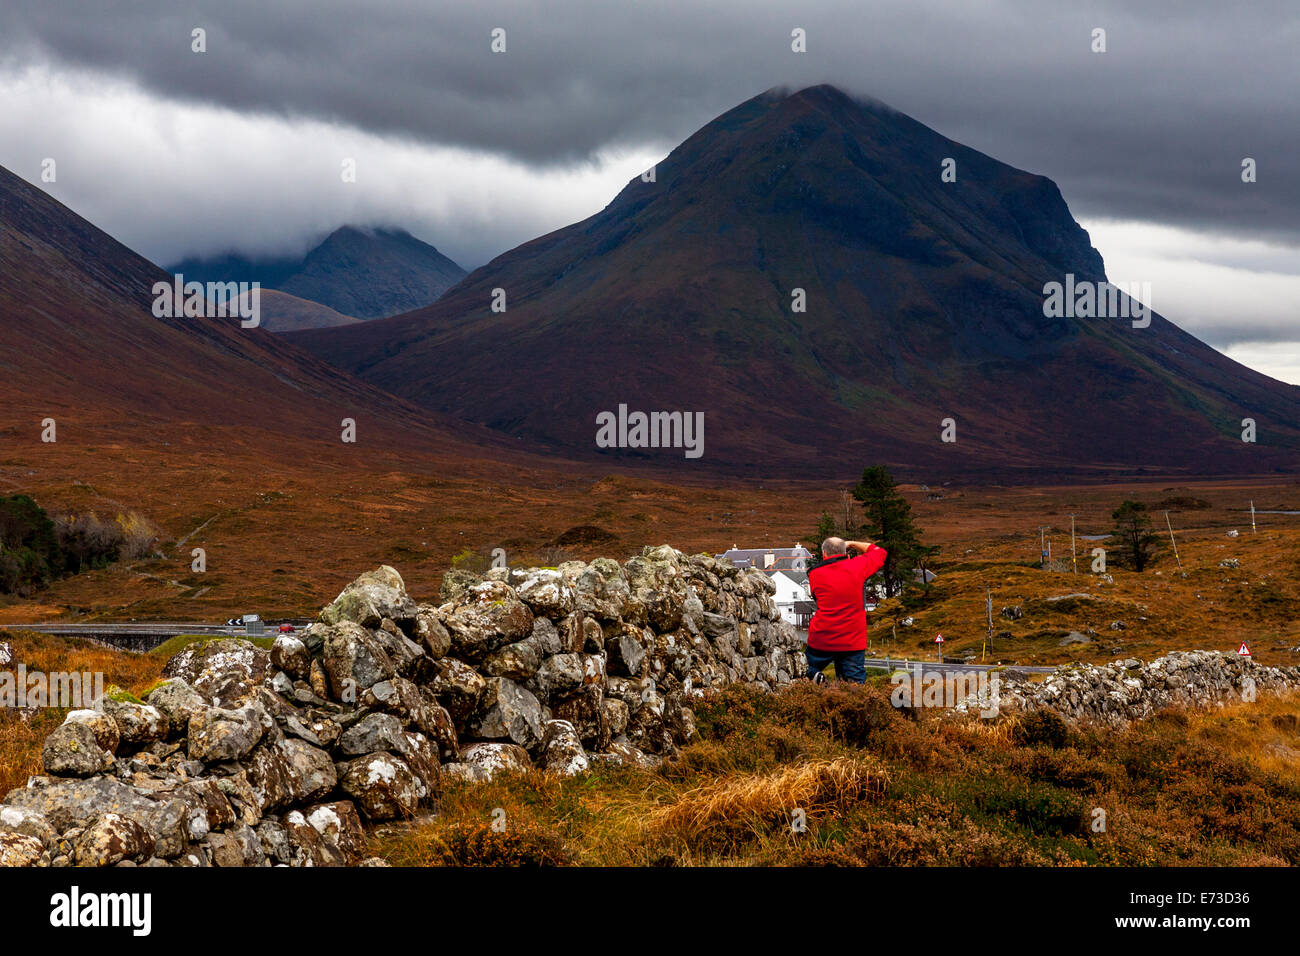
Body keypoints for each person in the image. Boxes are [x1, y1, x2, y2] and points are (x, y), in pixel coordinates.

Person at [805, 536, 887, 684]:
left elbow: (817, 597)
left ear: (824, 553)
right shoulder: (857, 566)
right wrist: (853, 543)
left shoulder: (814, 574)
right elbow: (879, 552)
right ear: (846, 553)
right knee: (854, 686)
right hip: (852, 640)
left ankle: (815, 675)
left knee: (802, 667)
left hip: (823, 637)